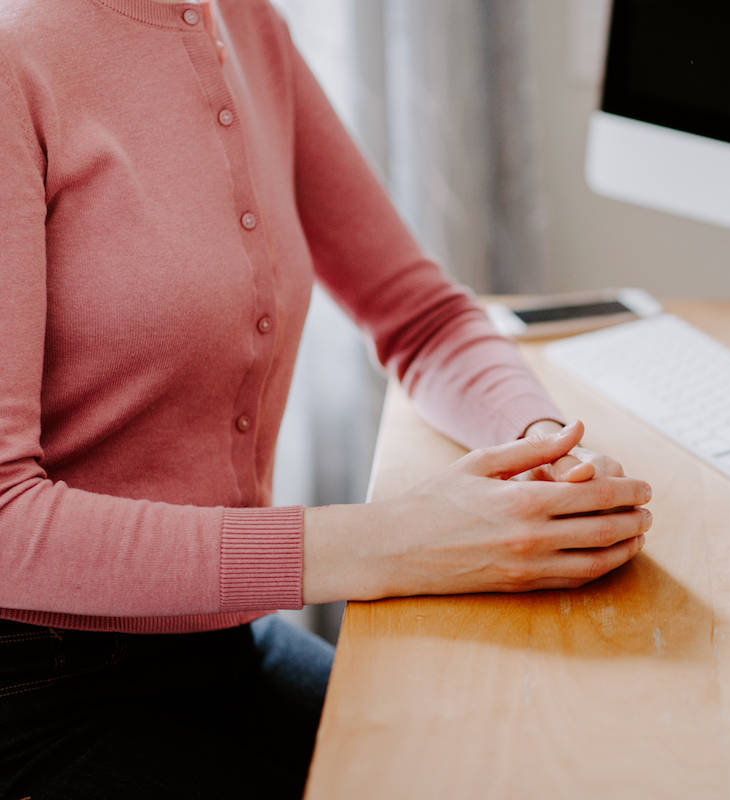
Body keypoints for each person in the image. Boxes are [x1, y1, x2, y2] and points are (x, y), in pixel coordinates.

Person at [0, 0, 653, 797]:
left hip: (219, 646)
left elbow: (422, 315)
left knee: (518, 765)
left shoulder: (239, 21)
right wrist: (394, 541)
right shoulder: (15, 56)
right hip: (38, 696)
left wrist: (548, 448)